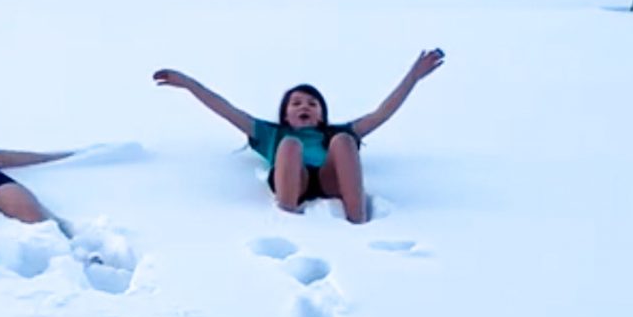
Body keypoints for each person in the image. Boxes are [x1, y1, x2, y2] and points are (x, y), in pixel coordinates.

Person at [152, 51, 444, 222]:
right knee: (289, 145)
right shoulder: (272, 133)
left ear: (321, 114)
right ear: (286, 114)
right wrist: (189, 84)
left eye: (312, 104)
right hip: (293, 180)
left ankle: (358, 221)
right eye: (296, 103)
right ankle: (288, 220)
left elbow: (381, 114)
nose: (304, 106)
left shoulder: (335, 132)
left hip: (330, 179)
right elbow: (226, 109)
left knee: (344, 141)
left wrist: (413, 77)